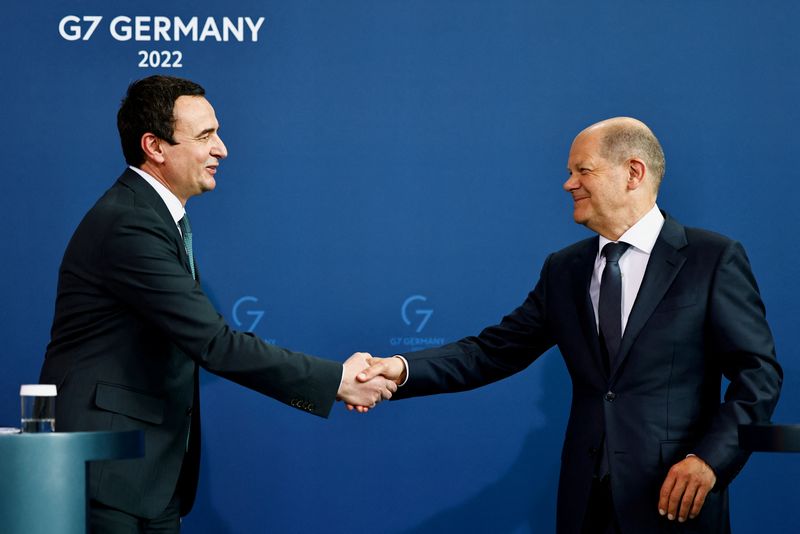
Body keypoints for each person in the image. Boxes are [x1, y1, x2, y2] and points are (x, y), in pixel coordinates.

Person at [359, 117, 782, 533]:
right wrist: (399, 368)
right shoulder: (565, 269)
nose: (569, 184)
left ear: (633, 172)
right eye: (569, 172)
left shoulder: (712, 258)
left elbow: (758, 376)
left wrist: (710, 460)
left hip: (674, 505)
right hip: (584, 506)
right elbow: (490, 352)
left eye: (583, 170)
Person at [39, 75, 395, 533]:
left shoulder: (153, 216)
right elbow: (214, 343)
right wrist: (336, 381)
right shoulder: (128, 223)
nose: (222, 149)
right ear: (155, 146)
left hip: (148, 478)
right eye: (205, 136)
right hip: (109, 476)